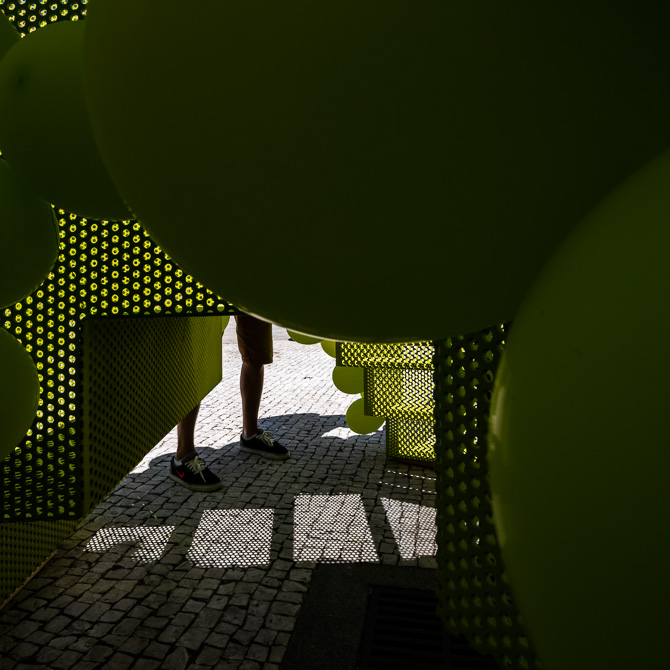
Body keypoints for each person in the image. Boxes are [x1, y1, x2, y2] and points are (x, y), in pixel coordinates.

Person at [169, 313, 289, 491]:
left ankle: (250, 435)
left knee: (257, 354)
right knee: (197, 356)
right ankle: (183, 456)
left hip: (253, 294)